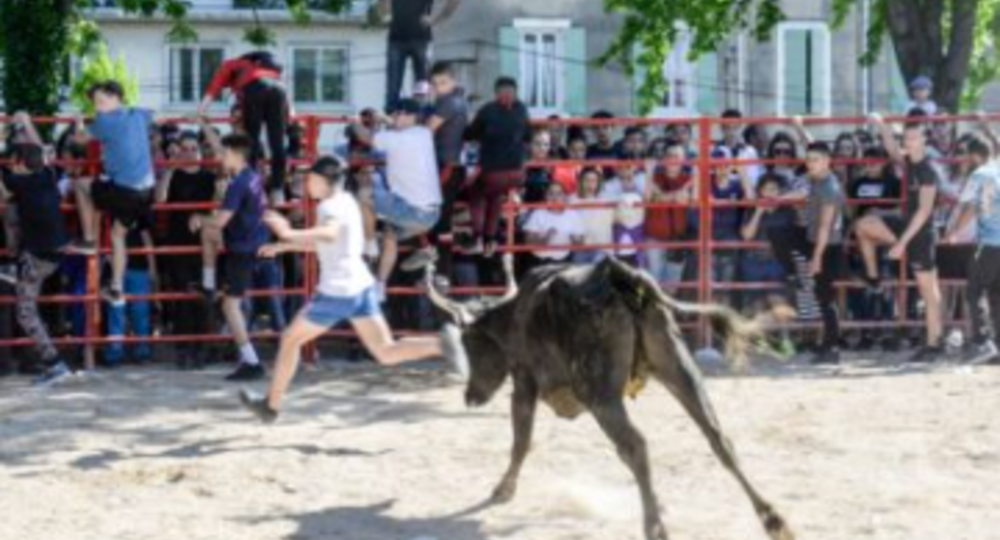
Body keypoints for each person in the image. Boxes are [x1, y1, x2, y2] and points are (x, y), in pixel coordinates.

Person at [239, 157, 465, 423]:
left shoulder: (329, 206)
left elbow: (329, 234)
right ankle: (444, 343)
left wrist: (288, 233)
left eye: (310, 178)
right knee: (386, 351)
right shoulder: (346, 200)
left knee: (290, 339)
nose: (306, 183)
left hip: (337, 291)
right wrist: (286, 246)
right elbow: (330, 243)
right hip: (360, 286)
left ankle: (271, 406)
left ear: (323, 180)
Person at [856, 114, 944, 362]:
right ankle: (874, 276)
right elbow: (892, 151)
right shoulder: (909, 162)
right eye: (907, 137)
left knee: (929, 292)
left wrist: (902, 243)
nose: (909, 141)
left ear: (924, 140)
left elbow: (924, 211)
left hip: (921, 234)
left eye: (914, 137)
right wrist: (882, 125)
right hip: (906, 226)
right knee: (864, 224)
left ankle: (934, 344)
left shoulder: (928, 171)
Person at [192, 134, 270, 381]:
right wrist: (204, 124)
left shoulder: (238, 183)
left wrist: (198, 218)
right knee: (208, 234)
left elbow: (220, 221)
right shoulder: (251, 175)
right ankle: (208, 285)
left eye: (224, 154)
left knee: (230, 306)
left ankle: (252, 362)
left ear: (236, 155)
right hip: (249, 241)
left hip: (243, 248)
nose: (220, 157)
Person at [72, 81, 157, 307]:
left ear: (116, 97)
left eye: (101, 101)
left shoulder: (104, 121)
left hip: (125, 191)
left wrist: (79, 121)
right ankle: (116, 288)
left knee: (80, 185)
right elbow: (155, 115)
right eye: (95, 103)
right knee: (118, 235)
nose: (97, 107)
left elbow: (79, 139)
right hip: (146, 193)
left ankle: (89, 240)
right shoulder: (137, 114)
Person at [354, 99, 442, 300]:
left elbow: (365, 137)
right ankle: (380, 285)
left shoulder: (395, 138)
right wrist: (384, 119)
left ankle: (369, 244)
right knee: (390, 232)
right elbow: (396, 126)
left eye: (397, 113)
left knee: (364, 195)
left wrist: (354, 120)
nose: (394, 117)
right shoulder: (423, 133)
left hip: (411, 211)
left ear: (411, 116)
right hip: (431, 215)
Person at [0, 143, 72, 385]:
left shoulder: (19, 183)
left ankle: (55, 363)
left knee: (25, 312)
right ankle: (53, 363)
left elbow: (4, 191)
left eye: (12, 162)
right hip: (53, 252)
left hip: (38, 256)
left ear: (20, 162)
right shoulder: (47, 175)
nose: (10, 166)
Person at [768, 142, 846, 364]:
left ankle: (832, 348)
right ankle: (793, 273)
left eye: (815, 159)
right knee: (777, 230)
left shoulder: (830, 188)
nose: (810, 163)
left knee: (825, 297)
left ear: (827, 161)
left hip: (827, 246)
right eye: (809, 159)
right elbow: (800, 191)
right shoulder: (815, 179)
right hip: (812, 238)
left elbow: (825, 227)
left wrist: (817, 258)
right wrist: (778, 199)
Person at [401, 61, 469, 278]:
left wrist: (400, 129)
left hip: (447, 167)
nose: (439, 88)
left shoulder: (449, 102)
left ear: (453, 81)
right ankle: (437, 270)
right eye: (435, 83)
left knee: (432, 215)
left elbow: (425, 132)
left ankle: (436, 265)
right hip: (447, 166)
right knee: (438, 218)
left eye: (443, 82)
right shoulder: (454, 100)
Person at [199, 51, 290, 201]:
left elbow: (213, 88)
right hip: (279, 90)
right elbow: (283, 90)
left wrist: (201, 111)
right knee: (277, 142)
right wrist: (290, 113)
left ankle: (252, 185)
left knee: (251, 140)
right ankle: (278, 189)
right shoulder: (263, 64)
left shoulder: (229, 65)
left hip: (255, 88)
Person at [945, 134, 1000, 365]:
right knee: (996, 294)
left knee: (974, 290)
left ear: (975, 155)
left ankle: (982, 341)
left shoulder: (981, 175)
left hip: (988, 242)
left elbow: (973, 207)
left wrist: (954, 232)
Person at [465, 77, 532, 257]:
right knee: (495, 195)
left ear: (496, 93)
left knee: (477, 191)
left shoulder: (487, 110)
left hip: (493, 173)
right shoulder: (522, 109)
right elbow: (528, 136)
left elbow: (470, 134)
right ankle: (490, 239)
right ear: (515, 92)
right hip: (518, 173)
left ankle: (478, 236)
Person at [377, 0, 462, 113]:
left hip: (421, 40)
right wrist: (385, 14)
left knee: (422, 84)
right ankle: (391, 116)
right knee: (393, 85)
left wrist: (435, 19)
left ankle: (421, 115)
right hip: (396, 39)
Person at [644, 142, 693, 287]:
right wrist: (649, 174)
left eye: (676, 156)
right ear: (664, 158)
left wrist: (659, 195)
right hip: (653, 238)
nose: (672, 159)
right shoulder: (653, 177)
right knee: (653, 283)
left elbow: (686, 200)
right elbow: (647, 199)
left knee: (672, 285)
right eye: (669, 155)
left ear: (683, 160)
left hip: (677, 240)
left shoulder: (688, 179)